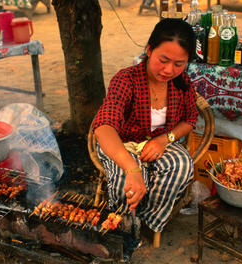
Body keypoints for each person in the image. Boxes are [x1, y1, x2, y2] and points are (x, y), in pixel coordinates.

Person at [91, 18, 198, 261]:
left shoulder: (182, 84)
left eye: (179, 63)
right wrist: (131, 168)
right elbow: (104, 127)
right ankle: (122, 230)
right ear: (149, 50)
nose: (169, 70)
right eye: (163, 60)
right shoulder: (126, 79)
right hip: (122, 143)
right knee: (122, 180)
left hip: (159, 142)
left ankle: (144, 220)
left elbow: (190, 120)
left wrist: (164, 139)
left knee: (181, 166)